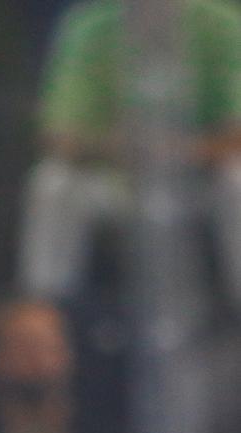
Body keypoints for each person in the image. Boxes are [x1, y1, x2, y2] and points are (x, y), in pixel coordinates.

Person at [16, 0, 241, 305]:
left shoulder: (222, 24)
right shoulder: (90, 27)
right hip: (120, 182)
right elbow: (57, 135)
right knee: (53, 181)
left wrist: (176, 150)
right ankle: (44, 306)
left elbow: (236, 134)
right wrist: (121, 146)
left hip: (201, 181)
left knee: (237, 178)